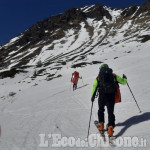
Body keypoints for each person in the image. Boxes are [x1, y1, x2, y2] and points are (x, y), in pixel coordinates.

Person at [91, 64, 127, 137]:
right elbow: (124, 82)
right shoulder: (113, 75)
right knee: (110, 112)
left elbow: (94, 87)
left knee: (101, 110)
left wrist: (92, 97)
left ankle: (101, 125)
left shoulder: (98, 77)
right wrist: (125, 78)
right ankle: (110, 129)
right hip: (111, 96)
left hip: (102, 96)